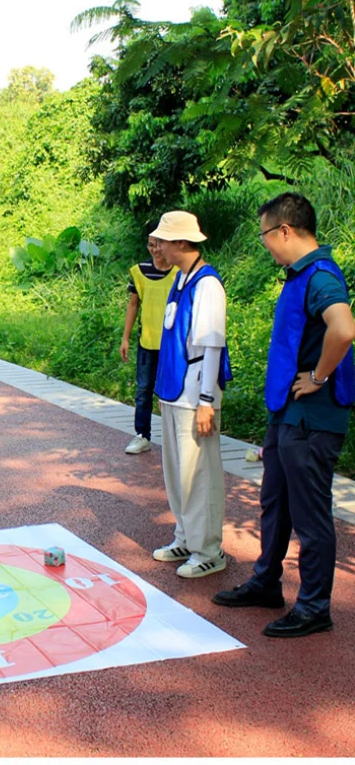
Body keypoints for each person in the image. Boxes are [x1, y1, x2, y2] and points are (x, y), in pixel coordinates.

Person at [213, 193, 355, 637]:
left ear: (285, 230)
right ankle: (266, 582)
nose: (265, 246)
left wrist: (318, 374)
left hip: (313, 418)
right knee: (274, 501)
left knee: (310, 515)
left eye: (265, 236)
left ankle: (314, 608)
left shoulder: (321, 277)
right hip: (287, 414)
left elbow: (345, 327)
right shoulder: (298, 276)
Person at [151, 210, 233, 578]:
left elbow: (212, 345)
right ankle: (185, 535)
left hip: (195, 394)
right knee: (177, 472)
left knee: (199, 475)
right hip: (173, 392)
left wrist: (206, 402)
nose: (159, 247)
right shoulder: (181, 279)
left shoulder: (207, 285)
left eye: (164, 241)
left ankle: (209, 550)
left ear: (182, 242)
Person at [120, 228, 178, 454]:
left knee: (171, 391)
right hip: (147, 342)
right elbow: (133, 304)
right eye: (150, 244)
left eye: (158, 244)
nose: (154, 249)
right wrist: (125, 338)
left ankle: (174, 438)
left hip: (172, 344)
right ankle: (142, 435)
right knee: (143, 390)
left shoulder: (179, 273)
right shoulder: (139, 271)